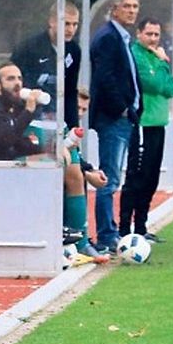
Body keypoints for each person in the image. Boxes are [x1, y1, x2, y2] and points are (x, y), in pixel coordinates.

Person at [89, 0, 142, 254]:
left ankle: (110, 232)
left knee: (112, 177)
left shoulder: (122, 38)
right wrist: (122, 108)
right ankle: (106, 235)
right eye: (127, 6)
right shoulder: (108, 38)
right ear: (114, 9)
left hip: (124, 117)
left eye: (135, 6)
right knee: (107, 178)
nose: (132, 10)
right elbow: (105, 78)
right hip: (113, 118)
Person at [119, 18, 173, 243]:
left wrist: (161, 68)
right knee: (137, 176)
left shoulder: (155, 57)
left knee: (152, 177)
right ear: (139, 34)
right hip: (142, 122)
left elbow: (170, 88)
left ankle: (141, 226)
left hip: (158, 124)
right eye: (149, 34)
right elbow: (152, 84)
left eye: (156, 34)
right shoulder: (137, 55)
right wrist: (163, 64)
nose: (153, 39)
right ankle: (125, 228)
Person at [10, 1, 82, 128]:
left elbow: (70, 91)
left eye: (75, 24)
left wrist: (73, 126)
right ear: (52, 22)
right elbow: (14, 85)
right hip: (30, 117)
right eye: (66, 24)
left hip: (58, 119)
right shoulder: (29, 48)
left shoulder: (74, 50)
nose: (71, 29)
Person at [62, 87, 110, 265]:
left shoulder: (69, 127)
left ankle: (78, 241)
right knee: (75, 177)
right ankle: (78, 243)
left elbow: (78, 159)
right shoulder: (53, 122)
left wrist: (90, 173)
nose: (80, 113)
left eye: (84, 109)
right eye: (78, 108)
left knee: (78, 175)